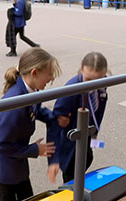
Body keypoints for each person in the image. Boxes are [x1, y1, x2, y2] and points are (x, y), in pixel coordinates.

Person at [0, 47, 61, 201]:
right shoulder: (14, 104)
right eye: (50, 74)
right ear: (35, 72)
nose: (52, 78)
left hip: (12, 161)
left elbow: (38, 111)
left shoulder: (30, 91)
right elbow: (1, 145)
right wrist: (34, 149)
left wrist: (56, 118)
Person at [46, 52, 110, 183]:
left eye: (97, 80)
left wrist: (94, 134)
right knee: (72, 175)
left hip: (87, 134)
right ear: (81, 69)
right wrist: (54, 159)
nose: (92, 85)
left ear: (104, 74)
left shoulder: (103, 84)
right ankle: (73, 198)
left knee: (87, 158)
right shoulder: (71, 90)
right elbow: (54, 123)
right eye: (88, 79)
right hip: (71, 143)